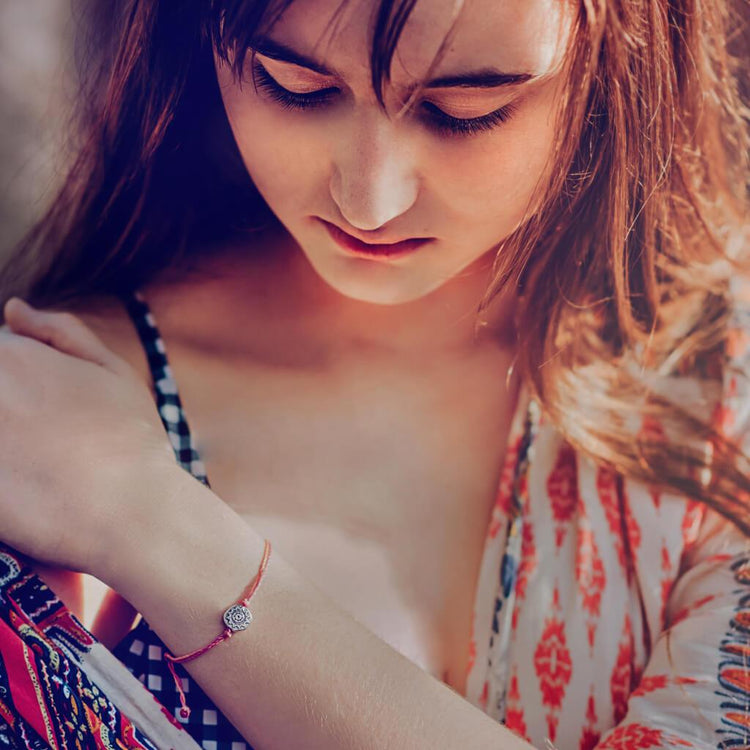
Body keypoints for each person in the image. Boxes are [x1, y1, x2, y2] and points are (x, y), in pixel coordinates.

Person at [0, 0, 746, 747]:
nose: (369, 200)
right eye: (295, 87)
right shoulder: (49, 423)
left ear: (625, 50)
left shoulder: (720, 399)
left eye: (464, 111)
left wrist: (158, 529)